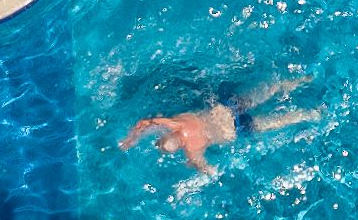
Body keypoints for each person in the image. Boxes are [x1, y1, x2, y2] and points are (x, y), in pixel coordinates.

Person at [120, 76, 317, 180]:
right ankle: (300, 81)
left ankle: (309, 114)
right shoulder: (178, 124)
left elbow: (207, 169)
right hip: (226, 110)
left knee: (276, 122)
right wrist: (130, 139)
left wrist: (195, 167)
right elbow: (146, 122)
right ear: (171, 134)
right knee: (264, 93)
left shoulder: (192, 150)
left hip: (235, 130)